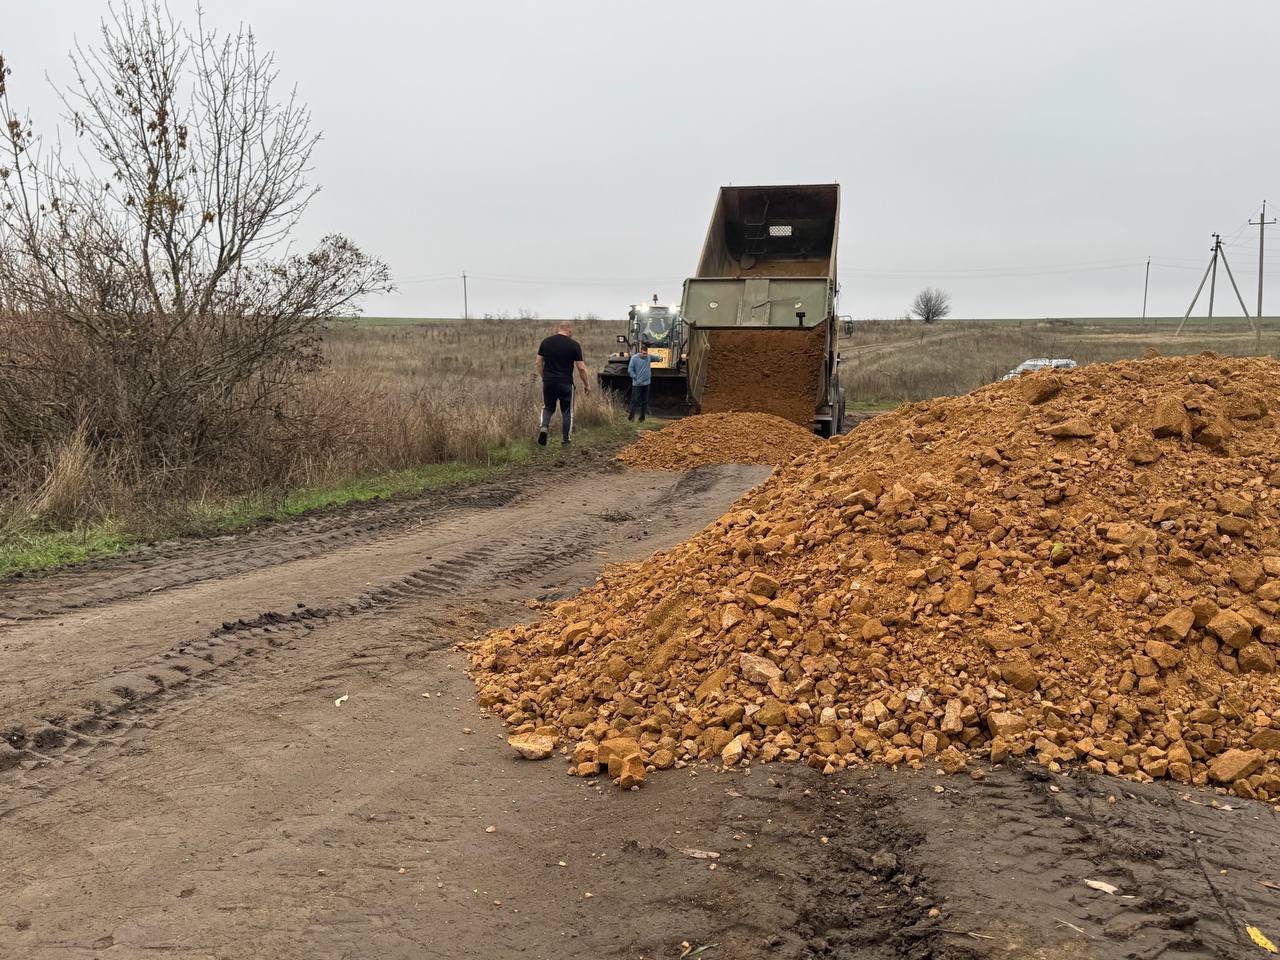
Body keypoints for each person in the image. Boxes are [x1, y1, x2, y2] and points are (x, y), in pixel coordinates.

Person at [536, 321, 591, 446]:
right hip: (566, 383)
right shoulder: (574, 345)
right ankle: (566, 440)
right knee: (567, 411)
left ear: (559, 328)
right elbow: (581, 368)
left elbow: (538, 362)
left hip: (549, 382)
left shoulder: (546, 342)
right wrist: (587, 385)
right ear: (569, 330)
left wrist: (545, 377)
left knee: (548, 407)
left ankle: (544, 427)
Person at [627, 344, 652, 421]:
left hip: (646, 384)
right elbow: (630, 370)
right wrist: (636, 378)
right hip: (637, 384)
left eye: (646, 354)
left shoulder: (648, 357)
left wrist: (659, 358)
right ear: (640, 352)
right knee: (634, 401)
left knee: (645, 401)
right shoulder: (634, 358)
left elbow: (654, 357)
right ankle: (631, 418)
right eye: (643, 353)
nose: (645, 355)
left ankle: (642, 418)